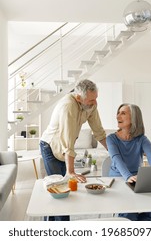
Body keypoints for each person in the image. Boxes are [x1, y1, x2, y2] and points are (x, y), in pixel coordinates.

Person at [40, 79, 107, 221]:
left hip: (64, 147)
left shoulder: (90, 105)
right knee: (58, 189)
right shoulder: (68, 106)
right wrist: (71, 172)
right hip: (50, 146)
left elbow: (99, 132)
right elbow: (67, 141)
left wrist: (115, 153)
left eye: (95, 98)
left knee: (64, 190)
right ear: (78, 98)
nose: (94, 103)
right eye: (91, 100)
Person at [106, 103, 151, 221]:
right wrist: (128, 176)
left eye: (123, 113)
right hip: (119, 179)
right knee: (129, 214)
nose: (118, 116)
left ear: (134, 118)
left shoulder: (141, 139)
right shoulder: (111, 139)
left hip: (137, 180)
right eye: (118, 113)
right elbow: (117, 159)